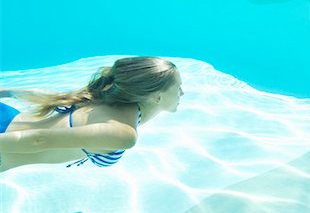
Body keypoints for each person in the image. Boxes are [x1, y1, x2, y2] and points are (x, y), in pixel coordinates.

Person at [0, 56, 184, 172]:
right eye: (178, 88)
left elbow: (55, 97)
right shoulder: (123, 133)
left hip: (8, 117)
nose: (182, 93)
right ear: (157, 97)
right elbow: (39, 139)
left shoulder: (108, 95)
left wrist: (7, 91)